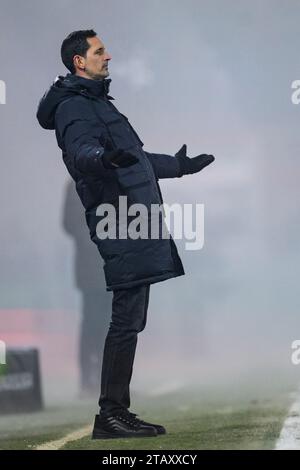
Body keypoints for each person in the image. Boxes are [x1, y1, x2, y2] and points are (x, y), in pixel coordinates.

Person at [36, 29, 215, 439]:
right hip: (119, 219)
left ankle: (115, 411)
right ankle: (111, 413)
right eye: (100, 51)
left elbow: (133, 159)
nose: (108, 56)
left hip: (130, 217)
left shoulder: (96, 103)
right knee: (126, 320)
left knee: (130, 319)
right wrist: (102, 157)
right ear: (79, 61)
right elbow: (83, 154)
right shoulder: (74, 108)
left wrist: (179, 166)